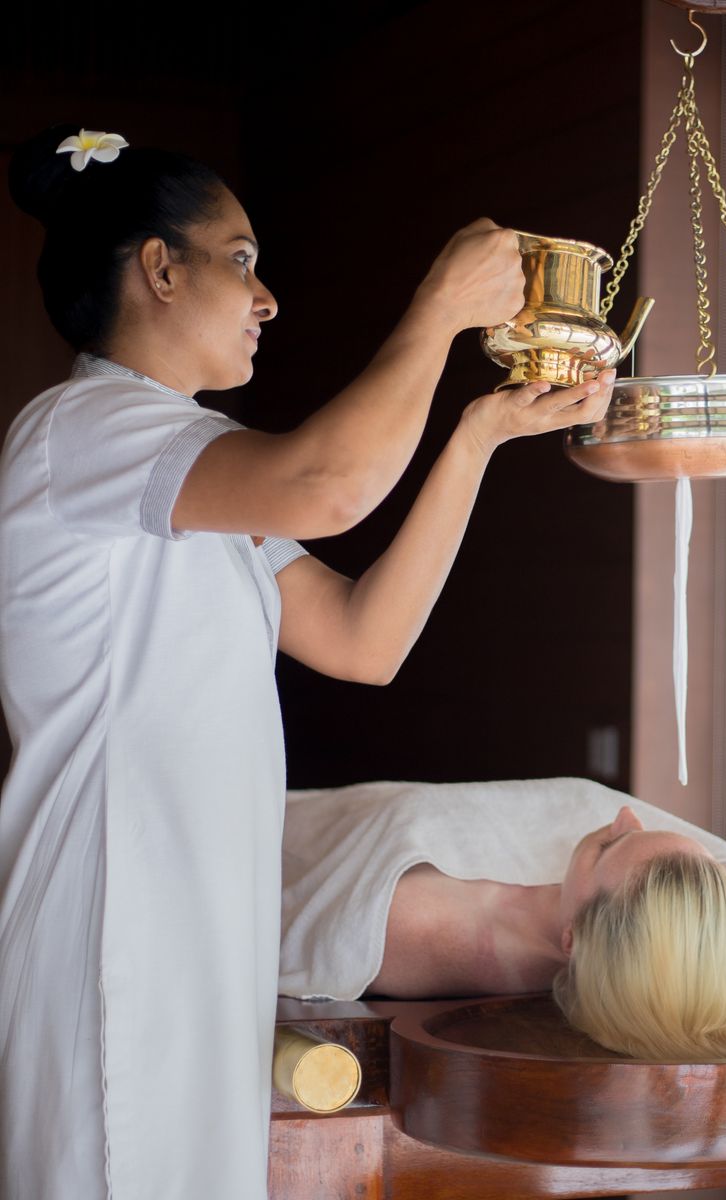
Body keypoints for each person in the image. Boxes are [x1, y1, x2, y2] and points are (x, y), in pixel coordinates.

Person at [0, 124, 613, 1200]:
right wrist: (436, 309)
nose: (267, 297)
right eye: (241, 261)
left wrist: (475, 436)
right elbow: (326, 485)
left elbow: (364, 639)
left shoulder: (195, 472)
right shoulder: (86, 429)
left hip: (192, 928)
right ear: (160, 270)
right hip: (113, 932)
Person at [279, 778, 726, 1062]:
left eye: (610, 847)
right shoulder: (664, 934)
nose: (623, 817)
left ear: (573, 940)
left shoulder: (409, 921)